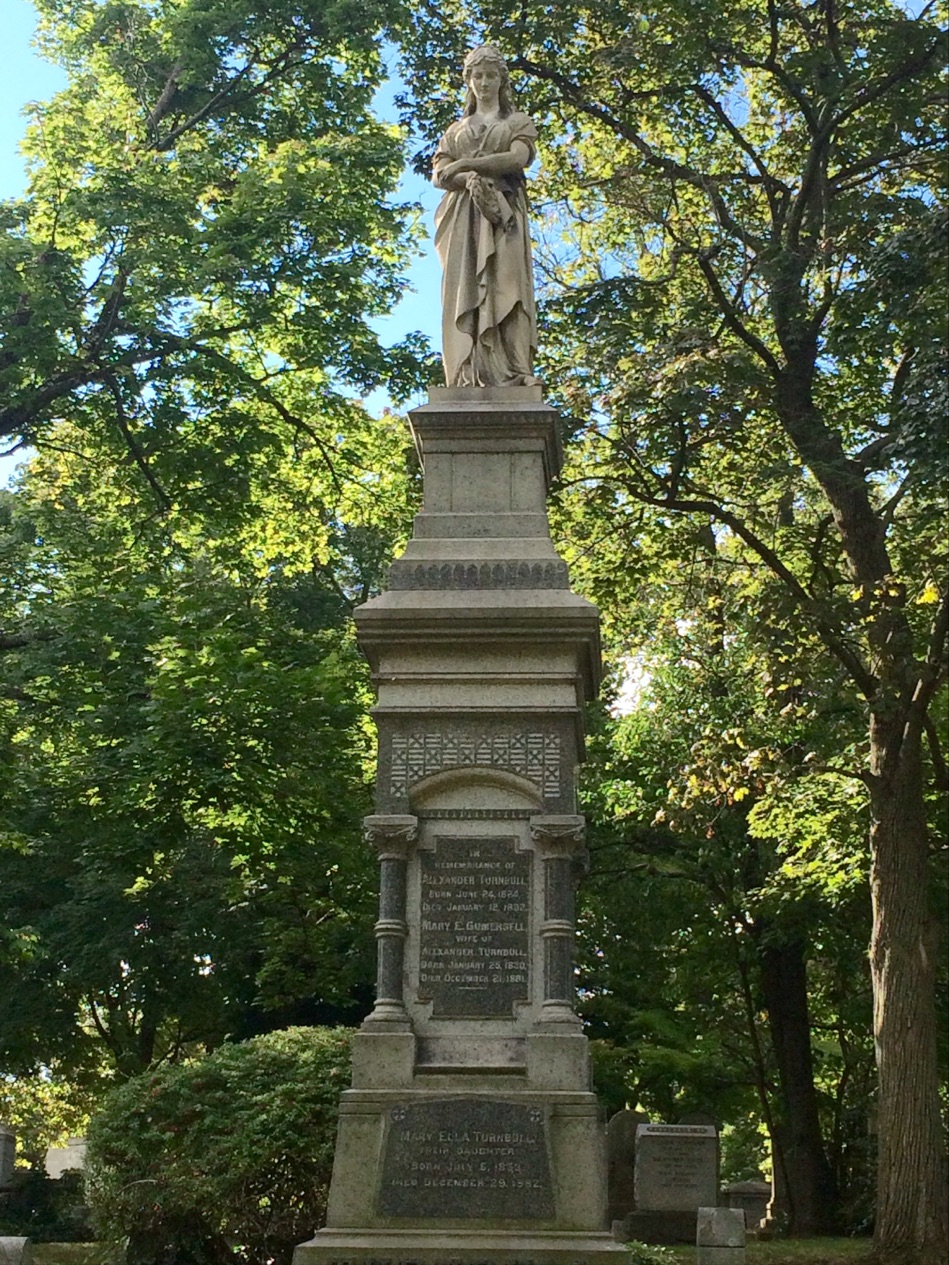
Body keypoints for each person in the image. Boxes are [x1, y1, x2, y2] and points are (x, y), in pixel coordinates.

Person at [432, 45, 540, 388]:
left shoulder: (517, 122)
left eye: (491, 75)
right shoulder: (455, 130)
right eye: (477, 75)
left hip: (503, 212)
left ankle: (514, 369)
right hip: (464, 215)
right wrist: (469, 180)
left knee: (508, 284)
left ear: (502, 80)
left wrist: (466, 165)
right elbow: (439, 175)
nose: (484, 82)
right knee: (466, 288)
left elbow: (517, 159)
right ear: (469, 80)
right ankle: (467, 372)